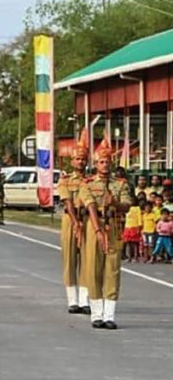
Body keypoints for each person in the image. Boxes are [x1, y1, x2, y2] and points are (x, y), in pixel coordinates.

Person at [77, 137, 132, 330]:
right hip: (95, 227)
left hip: (115, 227)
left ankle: (109, 315)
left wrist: (115, 204)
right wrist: (98, 231)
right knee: (93, 270)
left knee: (112, 271)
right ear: (96, 163)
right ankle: (96, 314)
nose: (105, 165)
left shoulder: (120, 184)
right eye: (101, 161)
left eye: (108, 161)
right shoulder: (88, 183)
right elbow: (90, 206)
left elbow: (127, 205)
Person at [57, 132, 90, 315]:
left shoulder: (91, 180)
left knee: (87, 260)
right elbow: (67, 202)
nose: (81, 162)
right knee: (70, 260)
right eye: (77, 159)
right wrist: (76, 223)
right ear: (72, 161)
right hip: (71, 219)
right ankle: (72, 300)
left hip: (88, 219)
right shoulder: (65, 180)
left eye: (83, 159)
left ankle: (85, 300)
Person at [122, 196, 143, 263]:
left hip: (135, 226)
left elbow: (139, 218)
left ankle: (136, 257)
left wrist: (139, 227)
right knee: (128, 243)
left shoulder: (137, 208)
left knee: (135, 243)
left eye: (132, 200)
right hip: (127, 226)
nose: (131, 201)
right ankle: (129, 257)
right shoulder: (127, 208)